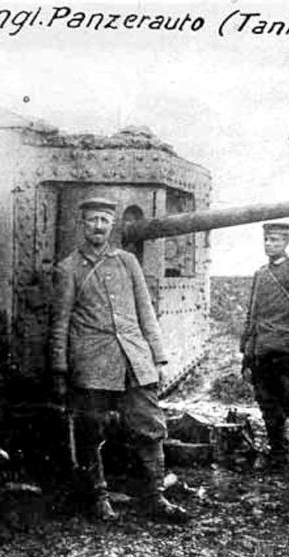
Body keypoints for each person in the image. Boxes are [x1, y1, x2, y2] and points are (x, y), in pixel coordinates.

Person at [50, 197, 190, 523]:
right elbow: (60, 323)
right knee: (91, 429)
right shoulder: (68, 269)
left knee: (150, 425)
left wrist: (157, 357)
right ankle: (98, 497)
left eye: (104, 220)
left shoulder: (128, 262)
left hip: (134, 357)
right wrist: (59, 368)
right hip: (92, 362)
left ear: (112, 224)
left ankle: (156, 497)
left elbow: (146, 313)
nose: (99, 226)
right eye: (92, 220)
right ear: (81, 224)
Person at [241, 222, 289, 475]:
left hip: (287, 350)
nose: (269, 244)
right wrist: (247, 354)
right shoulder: (261, 273)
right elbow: (252, 316)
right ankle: (278, 454)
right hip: (261, 350)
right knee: (268, 405)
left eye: (275, 240)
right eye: (266, 240)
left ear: (286, 243)